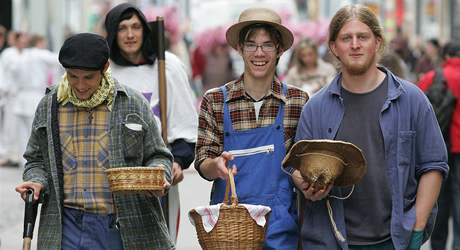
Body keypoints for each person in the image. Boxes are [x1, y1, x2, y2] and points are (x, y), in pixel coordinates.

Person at [292, 4, 449, 250]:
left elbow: (433, 165)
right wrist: (306, 185)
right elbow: (298, 167)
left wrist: (417, 228)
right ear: (334, 47)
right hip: (331, 241)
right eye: (346, 38)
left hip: (394, 241)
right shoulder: (316, 108)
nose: (355, 44)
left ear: (377, 42)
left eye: (362, 37)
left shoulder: (411, 100)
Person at [14, 33, 174, 249]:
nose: (80, 85)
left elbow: (158, 156)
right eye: (73, 76)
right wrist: (36, 181)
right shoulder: (49, 106)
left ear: (105, 67)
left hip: (119, 227)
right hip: (65, 226)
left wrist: (158, 177)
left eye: (88, 77)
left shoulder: (132, 103)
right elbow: (35, 160)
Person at [195, 7, 308, 249]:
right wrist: (215, 166)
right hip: (230, 231)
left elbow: (304, 164)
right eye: (251, 45)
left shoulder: (297, 101)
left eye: (267, 45)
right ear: (239, 48)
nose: (259, 53)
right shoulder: (215, 101)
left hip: (282, 229)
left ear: (279, 50)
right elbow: (203, 160)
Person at [104, 3, 198, 241]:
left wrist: (177, 161)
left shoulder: (168, 67)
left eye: (136, 27)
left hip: (158, 172)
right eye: (122, 28)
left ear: (145, 31)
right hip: (115, 174)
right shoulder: (105, 71)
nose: (130, 35)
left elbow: (185, 122)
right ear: (113, 33)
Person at [418, 41, 460, 250]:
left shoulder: (431, 77)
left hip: (439, 147)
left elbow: (416, 112)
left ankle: (438, 245)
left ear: (445, 56)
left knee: (439, 199)